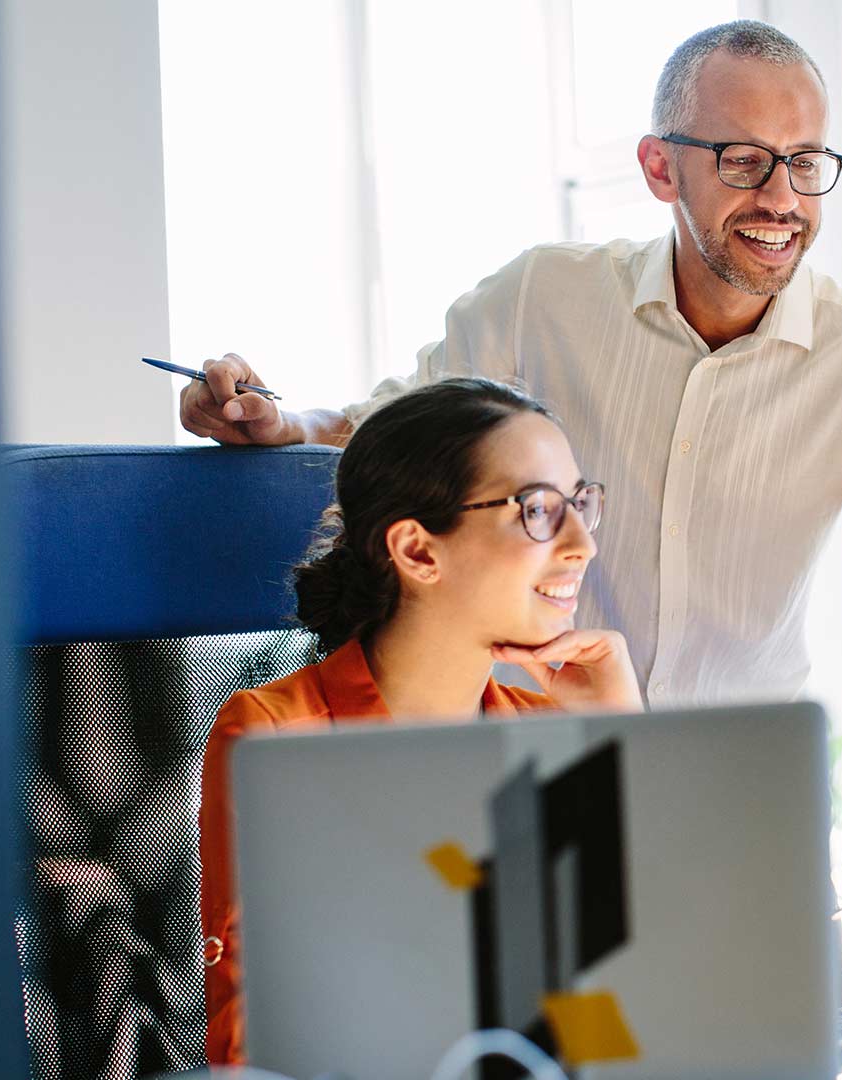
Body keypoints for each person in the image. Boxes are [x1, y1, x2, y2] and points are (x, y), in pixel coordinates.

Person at [180, 20, 842, 1003]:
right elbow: (403, 429)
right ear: (659, 168)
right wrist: (279, 420)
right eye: (744, 161)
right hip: (531, 824)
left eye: (807, 164)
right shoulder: (542, 298)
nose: (781, 199)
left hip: (739, 850)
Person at [196, 378, 641, 1064]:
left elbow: (618, 1010)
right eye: (540, 511)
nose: (582, 543)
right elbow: (259, 1049)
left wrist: (619, 739)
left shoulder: (544, 727)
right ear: (418, 552)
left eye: (581, 505)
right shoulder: (281, 736)